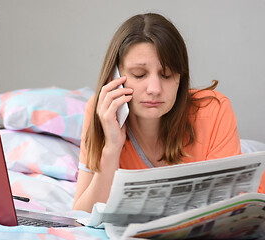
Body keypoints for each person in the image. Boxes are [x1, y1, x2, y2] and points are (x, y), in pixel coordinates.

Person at [72, 13, 265, 213]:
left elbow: (228, 210)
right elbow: (81, 215)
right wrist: (112, 147)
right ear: (115, 76)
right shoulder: (99, 111)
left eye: (166, 75)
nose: (154, 89)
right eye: (139, 75)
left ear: (180, 78)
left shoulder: (215, 110)